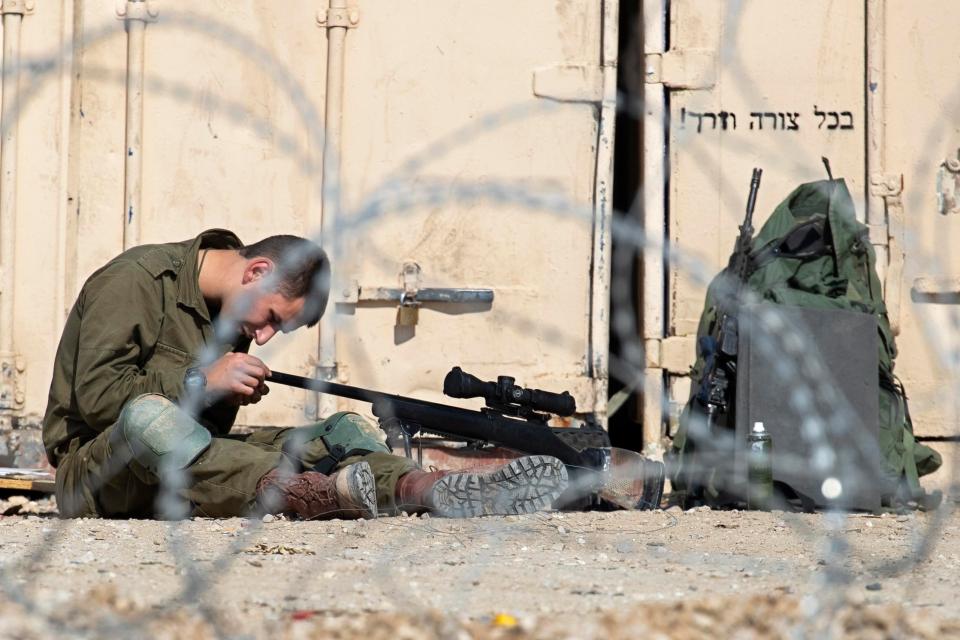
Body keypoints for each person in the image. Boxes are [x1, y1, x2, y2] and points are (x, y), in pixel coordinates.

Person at [43, 229, 568, 520]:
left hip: (191, 463)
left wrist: (226, 392)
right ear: (256, 273)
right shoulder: (133, 281)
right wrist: (203, 381)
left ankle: (421, 487)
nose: (265, 336)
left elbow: (205, 432)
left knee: (340, 429)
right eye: (271, 319)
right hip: (95, 472)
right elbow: (97, 400)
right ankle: (311, 492)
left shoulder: (230, 309)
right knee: (148, 418)